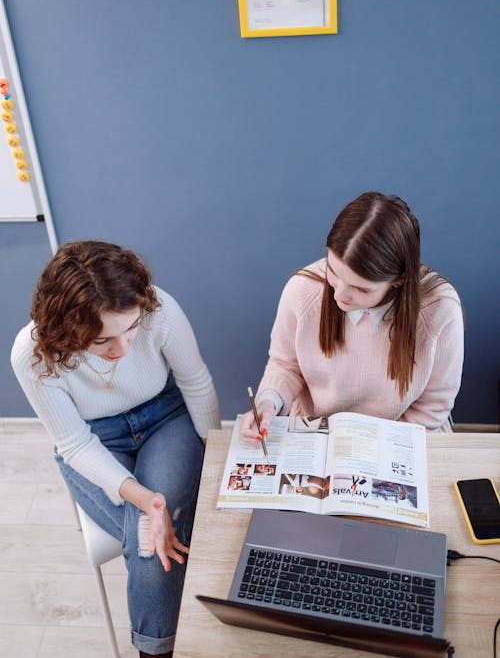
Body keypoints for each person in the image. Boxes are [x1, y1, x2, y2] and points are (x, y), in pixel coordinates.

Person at [11, 240, 220, 658]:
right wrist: (146, 501)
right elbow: (74, 443)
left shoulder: (159, 308)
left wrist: (214, 467)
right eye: (102, 340)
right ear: (65, 328)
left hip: (166, 418)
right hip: (94, 441)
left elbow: (196, 382)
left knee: (153, 543)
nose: (122, 348)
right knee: (149, 541)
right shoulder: (31, 355)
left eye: (130, 329)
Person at [240, 191, 463, 444]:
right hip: (316, 435)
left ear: (399, 280)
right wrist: (268, 402)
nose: (339, 295)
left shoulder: (439, 309)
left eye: (362, 288)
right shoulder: (302, 290)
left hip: (402, 439)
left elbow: (432, 408)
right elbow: (285, 366)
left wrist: (374, 448)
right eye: (332, 271)